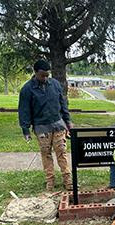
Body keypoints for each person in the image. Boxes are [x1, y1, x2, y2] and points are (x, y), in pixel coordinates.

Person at [18, 59, 73, 191]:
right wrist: (25, 129)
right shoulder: (27, 89)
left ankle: (68, 179)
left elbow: (62, 104)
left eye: (47, 75)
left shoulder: (55, 84)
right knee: (46, 154)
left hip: (58, 125)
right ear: (35, 73)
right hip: (41, 127)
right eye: (42, 75)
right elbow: (24, 110)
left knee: (62, 152)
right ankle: (50, 181)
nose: (45, 78)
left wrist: (68, 121)